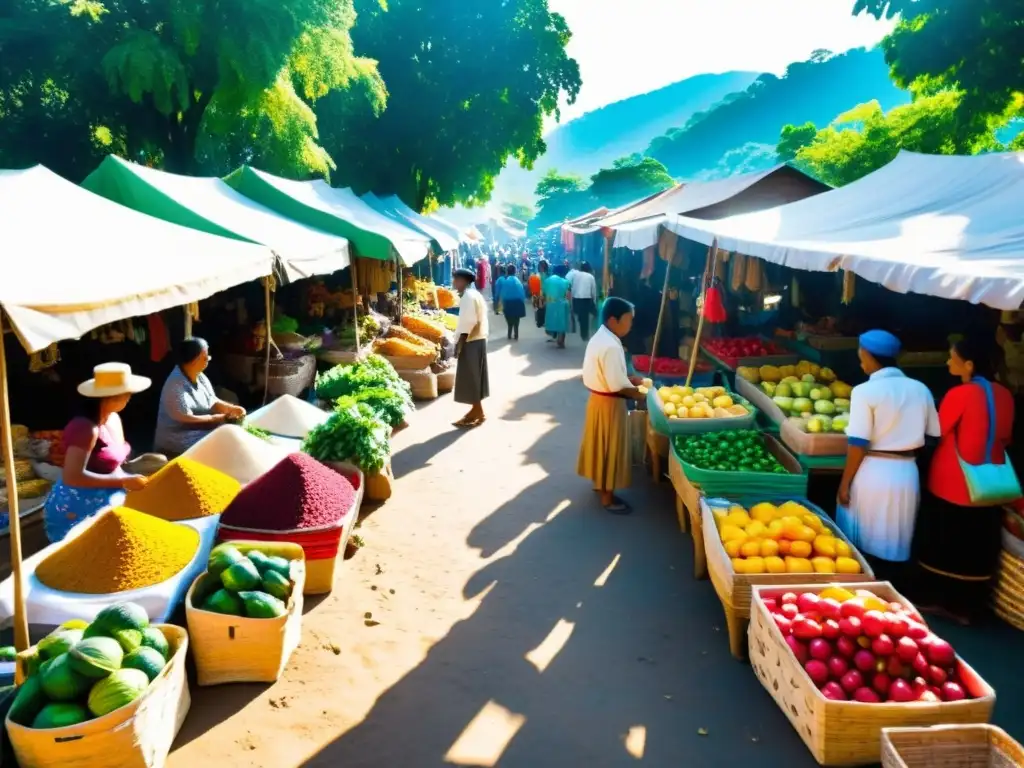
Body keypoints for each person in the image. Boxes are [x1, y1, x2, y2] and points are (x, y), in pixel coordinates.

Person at [915, 335, 1018, 624]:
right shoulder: (1005, 394)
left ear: (969, 364)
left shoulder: (960, 395)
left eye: (953, 357)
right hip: (991, 483)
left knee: (946, 541)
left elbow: (939, 429)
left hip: (954, 481)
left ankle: (942, 601)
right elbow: (1006, 436)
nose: (948, 361)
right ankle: (968, 606)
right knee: (976, 543)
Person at [837, 330, 940, 582]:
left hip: (874, 471)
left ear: (869, 356)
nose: (860, 360)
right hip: (906, 472)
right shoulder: (921, 389)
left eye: (860, 354)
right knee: (896, 535)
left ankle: (868, 584)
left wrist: (844, 482)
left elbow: (858, 443)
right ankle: (895, 588)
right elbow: (933, 434)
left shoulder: (864, 392)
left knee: (864, 536)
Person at [43, 363, 159, 543]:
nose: (130, 397)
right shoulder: (85, 428)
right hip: (78, 507)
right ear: (109, 397)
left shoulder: (113, 418)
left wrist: (134, 475)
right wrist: (124, 481)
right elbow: (72, 476)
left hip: (110, 495)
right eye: (126, 393)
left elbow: (114, 463)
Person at [577, 298, 645, 514]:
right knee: (611, 448)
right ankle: (608, 497)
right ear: (613, 320)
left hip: (597, 401)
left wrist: (629, 379)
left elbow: (607, 374)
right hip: (610, 403)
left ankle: (600, 486)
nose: (631, 324)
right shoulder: (611, 346)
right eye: (629, 320)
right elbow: (617, 384)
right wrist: (641, 394)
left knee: (600, 445)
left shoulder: (601, 337)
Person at [154, 338, 246, 456]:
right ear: (195, 361)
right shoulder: (175, 386)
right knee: (226, 439)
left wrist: (231, 409)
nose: (208, 359)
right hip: (177, 440)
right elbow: (186, 419)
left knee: (232, 433)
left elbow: (211, 401)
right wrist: (217, 419)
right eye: (205, 357)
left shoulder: (200, 376)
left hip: (197, 432)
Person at [452, 268, 490, 428]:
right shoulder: (475, 294)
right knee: (475, 377)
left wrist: (460, 343)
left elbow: (468, 322)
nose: (454, 283)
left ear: (463, 281)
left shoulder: (468, 296)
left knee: (471, 377)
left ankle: (477, 411)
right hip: (478, 339)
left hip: (471, 340)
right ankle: (477, 410)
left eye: (456, 280)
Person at [542, 264, 572, 348]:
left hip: (550, 304)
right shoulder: (566, 282)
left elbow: (544, 293)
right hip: (562, 305)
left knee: (552, 321)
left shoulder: (547, 280)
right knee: (562, 323)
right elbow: (568, 295)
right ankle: (561, 341)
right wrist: (570, 305)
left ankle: (553, 335)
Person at [570, 262, 599, 341]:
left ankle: (583, 332)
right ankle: (584, 335)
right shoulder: (590, 277)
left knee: (580, 315)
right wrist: (594, 300)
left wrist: (572, 299)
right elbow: (593, 290)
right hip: (586, 299)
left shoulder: (575, 275)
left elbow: (573, 287)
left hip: (576, 298)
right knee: (585, 318)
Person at [498, 264, 527, 341]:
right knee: (516, 319)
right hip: (518, 302)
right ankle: (516, 334)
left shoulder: (506, 281)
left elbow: (503, 293)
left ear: (507, 272)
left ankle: (509, 334)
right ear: (515, 271)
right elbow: (522, 293)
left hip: (508, 303)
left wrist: (501, 304)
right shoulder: (518, 281)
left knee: (509, 319)